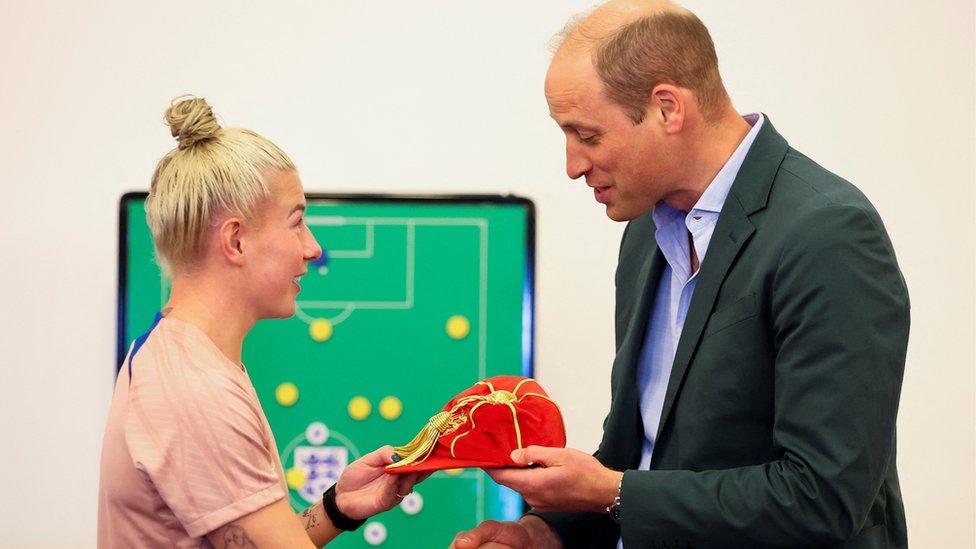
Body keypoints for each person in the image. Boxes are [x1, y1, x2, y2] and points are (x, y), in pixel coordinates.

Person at [453, 1, 909, 548]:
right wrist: (544, 532)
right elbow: (645, 453)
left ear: (668, 108)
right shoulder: (645, 235)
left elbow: (823, 497)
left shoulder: (828, 233)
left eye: (587, 136)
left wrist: (611, 492)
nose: (572, 164)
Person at [98, 97, 421, 548]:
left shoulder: (178, 359)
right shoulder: (197, 390)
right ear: (236, 240)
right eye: (297, 223)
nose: (312, 248)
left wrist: (338, 506)